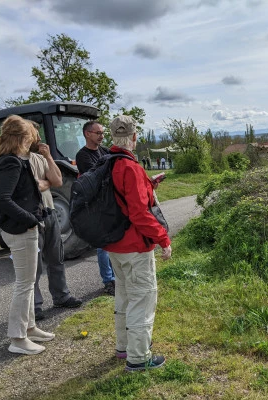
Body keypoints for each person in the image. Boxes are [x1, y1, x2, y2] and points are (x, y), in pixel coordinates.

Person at [104, 115, 171, 371]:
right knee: (142, 299)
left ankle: (124, 347)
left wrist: (149, 185)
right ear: (134, 136)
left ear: (112, 136)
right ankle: (139, 358)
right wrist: (163, 238)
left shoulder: (107, 163)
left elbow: (121, 199)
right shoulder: (130, 167)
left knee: (123, 296)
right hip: (134, 245)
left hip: (113, 244)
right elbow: (139, 213)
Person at [0, 115, 55, 355]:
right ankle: (17, 338)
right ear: (21, 137)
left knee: (28, 283)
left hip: (22, 228)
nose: (32, 140)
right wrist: (30, 219)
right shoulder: (11, 163)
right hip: (21, 231)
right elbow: (2, 199)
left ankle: (29, 328)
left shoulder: (12, 160)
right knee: (24, 284)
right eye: (29, 135)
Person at [28, 127, 82, 320]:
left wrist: (49, 156)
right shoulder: (16, 159)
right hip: (31, 216)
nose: (40, 138)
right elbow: (33, 185)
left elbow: (57, 180)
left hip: (49, 212)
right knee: (34, 265)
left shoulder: (41, 159)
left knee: (56, 258)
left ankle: (61, 296)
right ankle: (34, 306)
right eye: (36, 135)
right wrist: (44, 182)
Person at [75, 121, 116, 296]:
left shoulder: (106, 150)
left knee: (114, 242)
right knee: (103, 246)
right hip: (97, 205)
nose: (101, 135)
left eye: (103, 133)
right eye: (98, 132)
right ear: (87, 134)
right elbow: (95, 177)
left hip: (110, 202)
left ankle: (117, 276)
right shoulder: (82, 156)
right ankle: (108, 280)